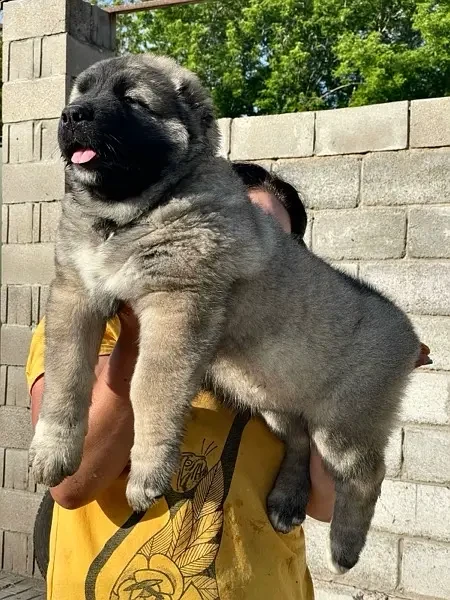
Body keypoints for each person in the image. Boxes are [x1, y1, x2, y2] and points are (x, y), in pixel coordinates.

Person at [27, 163, 430, 600]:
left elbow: (324, 505)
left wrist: (354, 385)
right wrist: (149, 324)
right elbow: (70, 484)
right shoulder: (97, 321)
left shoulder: (298, 349)